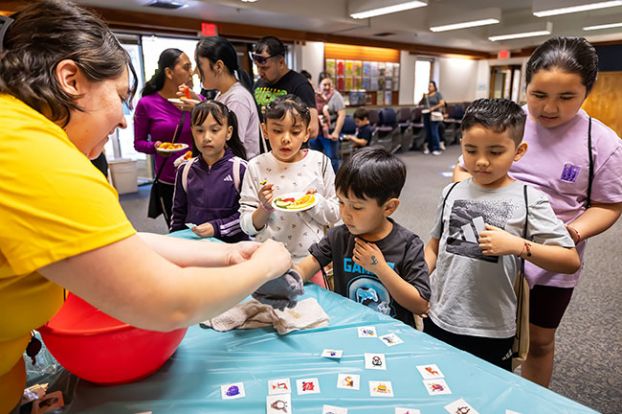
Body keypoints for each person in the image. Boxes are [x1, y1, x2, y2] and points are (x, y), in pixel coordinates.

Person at [0, 2, 291, 412]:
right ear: (69, 79)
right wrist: (266, 263)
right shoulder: (34, 155)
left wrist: (226, 254)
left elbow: (116, 243)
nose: (123, 120)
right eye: (120, 97)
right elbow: (170, 302)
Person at [453, 37, 622, 386]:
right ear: (526, 86)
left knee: (539, 340)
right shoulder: (507, 123)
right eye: (539, 95)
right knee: (477, 329)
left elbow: (608, 204)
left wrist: (571, 233)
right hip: (488, 248)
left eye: (566, 98)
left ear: (587, 92)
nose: (548, 108)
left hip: (551, 260)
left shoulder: (601, 143)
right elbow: (463, 170)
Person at [426, 99, 581, 371]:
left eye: (496, 152)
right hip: (439, 315)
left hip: (491, 328)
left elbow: (569, 260)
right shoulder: (451, 191)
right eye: (471, 150)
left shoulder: (528, 199)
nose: (482, 161)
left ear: (518, 151)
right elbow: (435, 246)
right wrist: (418, 279)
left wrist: (518, 246)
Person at [294, 147, 430, 327]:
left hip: (394, 336)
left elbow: (421, 304)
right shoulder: (338, 237)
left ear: (389, 207)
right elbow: (303, 269)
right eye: (341, 202)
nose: (345, 214)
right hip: (349, 329)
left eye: (357, 207)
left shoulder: (408, 244)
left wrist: (380, 269)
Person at [239, 95, 340, 285]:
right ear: (265, 130)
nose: (286, 139)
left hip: (312, 260)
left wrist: (315, 202)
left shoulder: (320, 162)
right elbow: (246, 225)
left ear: (306, 134)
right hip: (268, 260)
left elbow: (336, 214)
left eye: (295, 132)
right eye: (277, 130)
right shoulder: (256, 166)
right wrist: (264, 208)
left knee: (317, 310)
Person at [170, 101, 249, 243]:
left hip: (233, 249)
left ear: (228, 132)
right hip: (197, 250)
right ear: (192, 131)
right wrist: (174, 241)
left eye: (215, 130)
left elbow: (248, 216)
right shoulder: (185, 170)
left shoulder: (241, 168)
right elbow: (178, 215)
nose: (206, 137)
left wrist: (217, 227)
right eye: (200, 130)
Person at [134, 48, 195, 224]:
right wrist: (155, 147)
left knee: (204, 230)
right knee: (177, 232)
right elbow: (138, 143)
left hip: (198, 177)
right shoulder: (147, 104)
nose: (191, 72)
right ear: (169, 72)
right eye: (186, 67)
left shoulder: (196, 100)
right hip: (169, 181)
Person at [190, 36, 261, 159]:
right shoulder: (223, 94)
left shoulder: (237, 99)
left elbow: (230, 146)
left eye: (199, 64)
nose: (195, 72)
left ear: (218, 66)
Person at [252, 36, 319, 139]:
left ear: (281, 62)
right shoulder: (258, 84)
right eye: (257, 67)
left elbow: (313, 129)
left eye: (265, 68)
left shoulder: (300, 85)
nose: (260, 73)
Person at [309, 75, 345, 172]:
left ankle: (334, 182)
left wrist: (336, 132)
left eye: (329, 84)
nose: (327, 87)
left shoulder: (336, 96)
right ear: (319, 86)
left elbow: (342, 115)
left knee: (332, 158)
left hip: (330, 133)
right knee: (314, 157)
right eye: (325, 85)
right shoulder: (314, 95)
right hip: (316, 132)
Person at [419, 80, 445, 155]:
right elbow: (420, 104)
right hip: (426, 114)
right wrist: (423, 98)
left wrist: (433, 108)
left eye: (431, 86)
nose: (429, 87)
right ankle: (430, 148)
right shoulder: (427, 95)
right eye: (428, 86)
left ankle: (436, 148)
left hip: (434, 114)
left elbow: (442, 103)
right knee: (428, 131)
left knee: (434, 131)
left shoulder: (437, 94)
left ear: (434, 87)